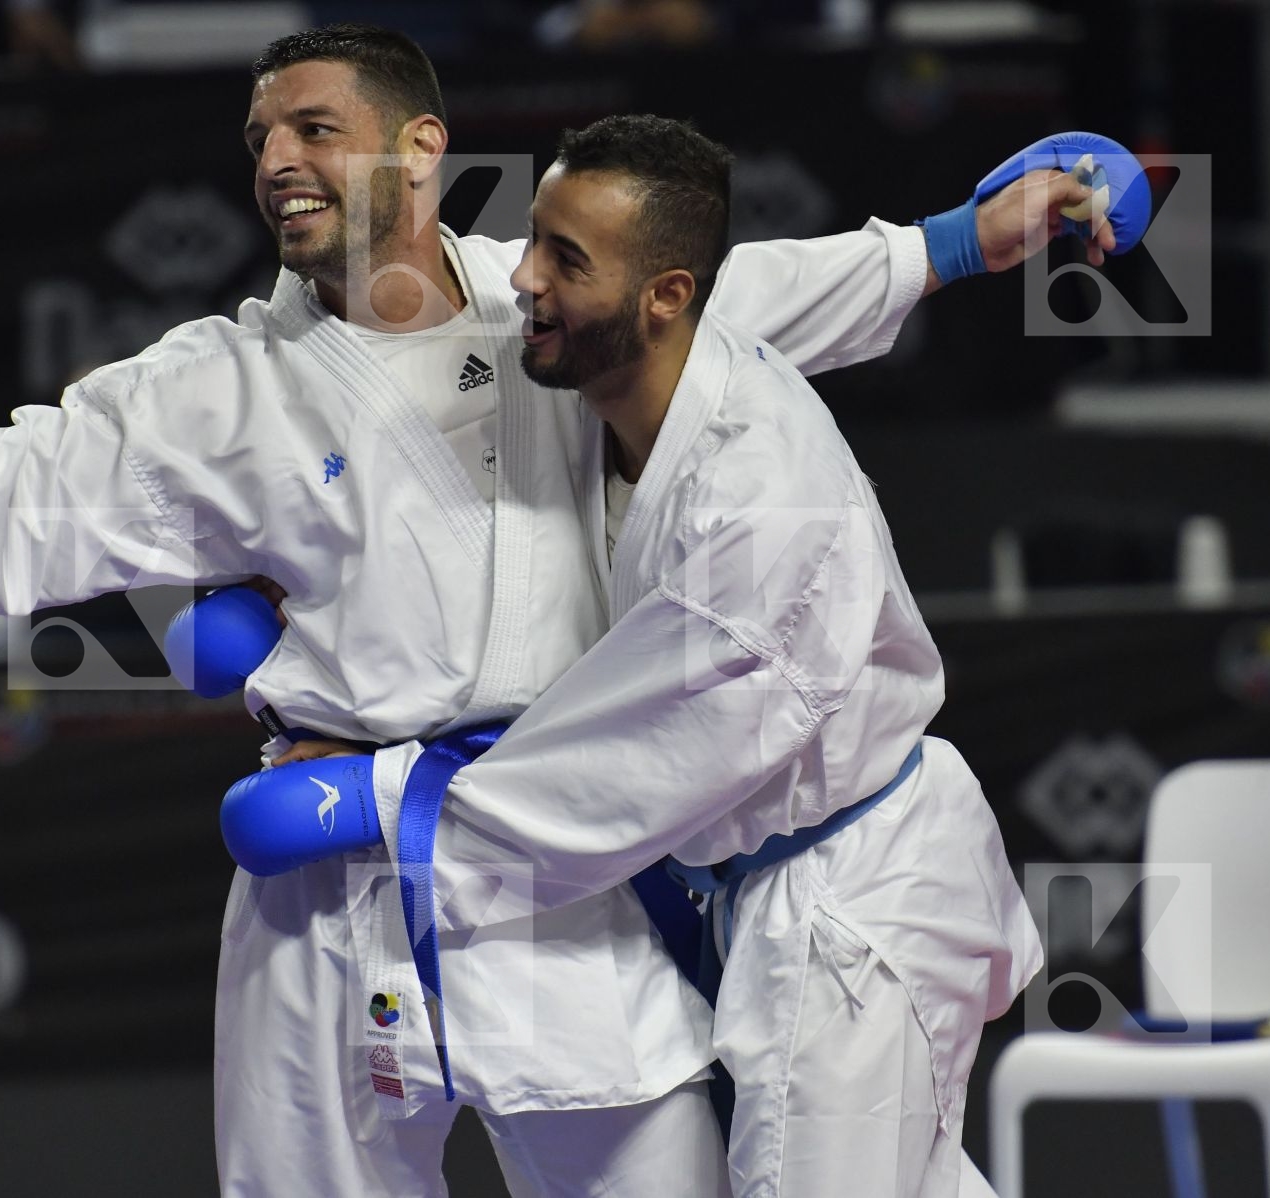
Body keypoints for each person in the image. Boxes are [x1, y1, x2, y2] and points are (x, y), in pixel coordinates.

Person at [0, 23, 1104, 1196]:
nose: (278, 160)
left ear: (421, 147)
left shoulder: (548, 309)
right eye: (259, 141)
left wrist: (962, 241)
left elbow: (739, 294)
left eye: (315, 129)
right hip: (328, 879)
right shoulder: (215, 388)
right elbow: (14, 494)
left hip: (559, 852)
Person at [275, 114, 1049, 1196]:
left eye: (566, 261)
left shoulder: (759, 506)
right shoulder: (648, 350)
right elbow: (779, 282)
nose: (524, 282)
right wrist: (954, 243)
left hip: (852, 905)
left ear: (667, 297)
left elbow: (637, 757)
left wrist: (387, 800)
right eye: (533, 239)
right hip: (781, 883)